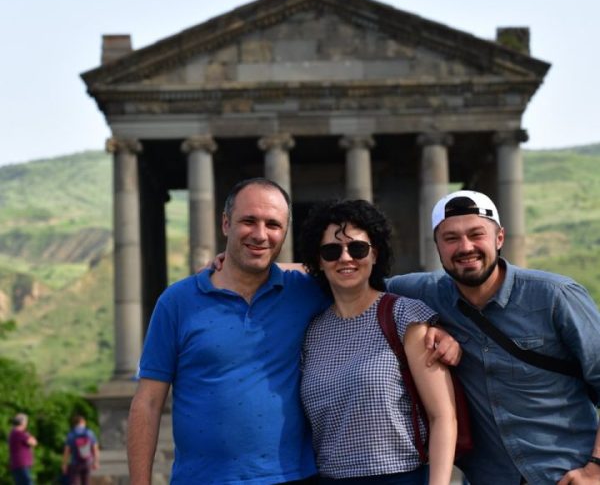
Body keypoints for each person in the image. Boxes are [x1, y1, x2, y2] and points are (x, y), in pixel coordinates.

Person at [130, 177, 459, 485]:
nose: (261, 234)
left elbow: (354, 278)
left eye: (273, 225)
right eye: (249, 222)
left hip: (296, 478)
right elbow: (147, 402)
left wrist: (444, 333)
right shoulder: (177, 302)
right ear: (226, 223)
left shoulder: (307, 295)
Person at [386, 190, 600, 485]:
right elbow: (345, 280)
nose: (466, 247)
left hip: (565, 474)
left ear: (499, 238)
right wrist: (426, 324)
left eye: (477, 234)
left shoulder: (555, 296)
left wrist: (596, 468)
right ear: (436, 245)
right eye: (451, 238)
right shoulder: (423, 293)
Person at [299, 199, 457, 484]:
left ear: (374, 254)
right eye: (331, 251)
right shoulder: (311, 331)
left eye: (357, 248)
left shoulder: (404, 315)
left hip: (400, 476)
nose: (345, 258)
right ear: (319, 261)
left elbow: (443, 417)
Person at [61, 415, 100, 485]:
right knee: (86, 482)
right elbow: (95, 448)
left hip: (75, 462)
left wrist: (64, 464)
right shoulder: (89, 433)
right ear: (82, 422)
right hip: (87, 462)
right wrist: (96, 461)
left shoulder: (71, 434)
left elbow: (67, 451)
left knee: (74, 482)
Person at [8, 413, 37, 485]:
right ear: (23, 423)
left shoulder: (13, 433)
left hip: (17, 464)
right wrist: (29, 435)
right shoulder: (19, 433)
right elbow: (33, 442)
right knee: (28, 483)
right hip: (22, 464)